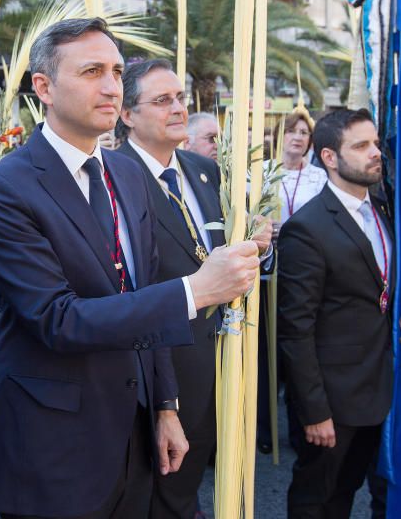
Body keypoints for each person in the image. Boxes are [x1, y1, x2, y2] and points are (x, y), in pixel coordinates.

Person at [0, 18, 261, 519]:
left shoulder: (127, 173)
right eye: (91, 71)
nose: (110, 86)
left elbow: (142, 292)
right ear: (43, 87)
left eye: (116, 71)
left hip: (136, 430)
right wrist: (194, 291)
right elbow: (55, 319)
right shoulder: (3, 187)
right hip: (56, 443)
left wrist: (166, 406)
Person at [114, 59, 272, 518]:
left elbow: (225, 257)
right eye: (162, 101)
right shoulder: (112, 175)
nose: (178, 108)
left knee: (187, 489)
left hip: (219, 361)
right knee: (150, 495)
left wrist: (258, 246)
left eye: (180, 98)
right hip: (154, 367)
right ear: (127, 115)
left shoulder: (206, 171)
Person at [277, 108, 394, 518]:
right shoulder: (307, 228)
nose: (375, 153)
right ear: (329, 156)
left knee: (349, 490)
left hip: (382, 388)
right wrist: (314, 412)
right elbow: (295, 329)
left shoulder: (383, 212)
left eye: (375, 143)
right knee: (316, 498)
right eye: (361, 146)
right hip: (333, 401)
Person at [277, 111, 328, 224]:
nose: (298, 137)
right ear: (279, 135)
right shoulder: (261, 172)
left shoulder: (320, 176)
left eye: (304, 133)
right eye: (291, 131)